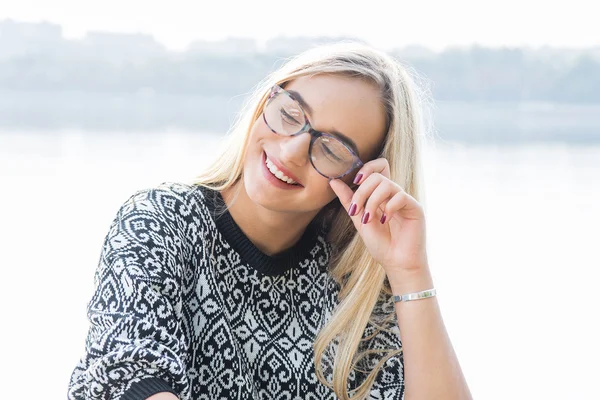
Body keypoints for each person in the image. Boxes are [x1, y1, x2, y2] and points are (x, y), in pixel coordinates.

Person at [67, 42, 472, 400]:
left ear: (362, 178)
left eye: (332, 149)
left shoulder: (357, 289)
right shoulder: (160, 222)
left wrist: (409, 271)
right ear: (265, 104)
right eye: (290, 113)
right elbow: (127, 379)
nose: (292, 150)